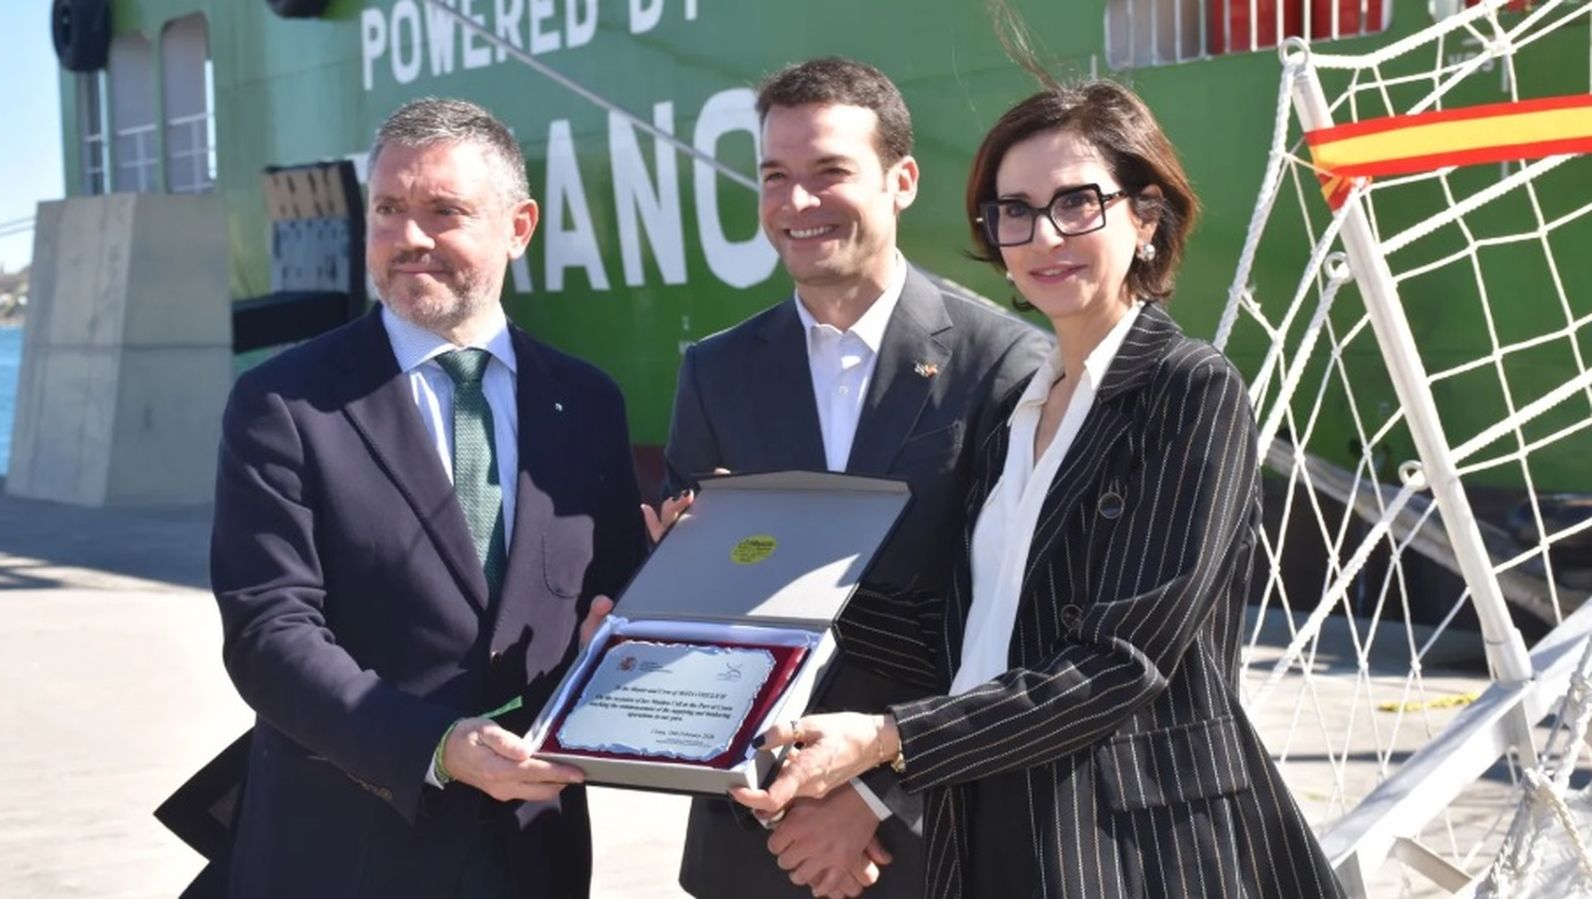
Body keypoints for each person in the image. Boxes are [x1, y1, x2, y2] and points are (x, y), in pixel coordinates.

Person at [733, 80, 1347, 899]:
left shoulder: (1188, 390)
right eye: (1014, 211)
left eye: (1077, 203)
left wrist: (885, 737)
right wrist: (745, 555)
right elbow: (959, 632)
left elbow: (1122, 663)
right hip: (989, 831)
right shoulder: (1017, 411)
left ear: (1146, 217)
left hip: (1134, 850)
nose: (1044, 236)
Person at [209, 98, 646, 898]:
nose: (409, 237)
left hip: (532, 854)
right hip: (343, 854)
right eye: (388, 210)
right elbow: (268, 632)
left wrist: (668, 591)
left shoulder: (587, 403)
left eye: (444, 211)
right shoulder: (283, 403)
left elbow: (612, 600)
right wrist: (437, 745)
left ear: (519, 228)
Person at [659, 57, 1049, 899]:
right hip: (750, 843)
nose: (797, 202)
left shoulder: (1005, 366)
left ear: (901, 181)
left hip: (928, 840)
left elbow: (1015, 624)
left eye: (829, 171)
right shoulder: (714, 372)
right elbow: (705, 622)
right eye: (775, 176)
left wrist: (876, 796)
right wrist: (668, 583)